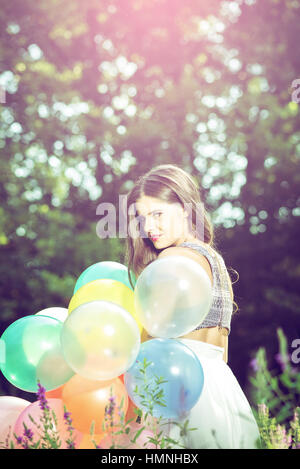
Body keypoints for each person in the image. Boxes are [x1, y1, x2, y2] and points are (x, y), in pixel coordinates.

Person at [123, 163, 261, 449]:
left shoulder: (171, 260)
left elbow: (150, 344)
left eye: (157, 214)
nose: (148, 227)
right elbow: (221, 352)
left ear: (185, 208)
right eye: (142, 217)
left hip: (179, 391)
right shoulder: (215, 261)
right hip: (222, 390)